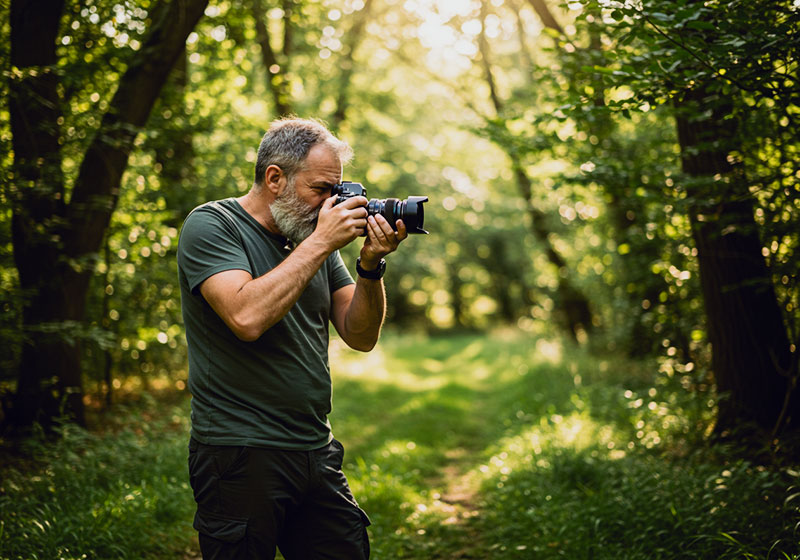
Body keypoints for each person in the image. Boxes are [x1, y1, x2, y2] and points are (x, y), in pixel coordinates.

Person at [177, 117, 407, 559]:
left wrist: (371, 267)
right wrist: (321, 243)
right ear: (275, 178)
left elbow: (359, 335)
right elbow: (245, 316)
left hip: (314, 447)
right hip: (239, 452)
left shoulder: (309, 238)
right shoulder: (212, 225)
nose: (330, 205)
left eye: (336, 192)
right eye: (320, 190)